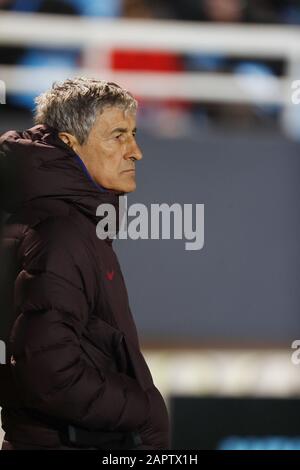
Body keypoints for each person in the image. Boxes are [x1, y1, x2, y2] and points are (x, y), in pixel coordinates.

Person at [0, 77, 170, 450]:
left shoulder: (59, 218)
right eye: (118, 136)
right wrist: (144, 410)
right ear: (69, 144)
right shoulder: (62, 231)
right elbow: (49, 373)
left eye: (134, 134)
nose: (135, 151)